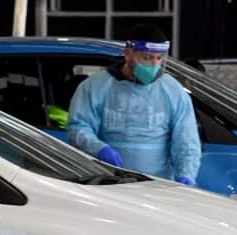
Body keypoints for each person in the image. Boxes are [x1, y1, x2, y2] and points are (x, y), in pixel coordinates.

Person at [66, 24, 201, 184]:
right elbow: (78, 127)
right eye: (147, 57)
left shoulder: (172, 91)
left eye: (158, 58)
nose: (153, 65)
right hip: (108, 182)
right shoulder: (96, 86)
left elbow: (187, 140)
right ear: (128, 53)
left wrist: (186, 174)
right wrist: (99, 148)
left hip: (157, 184)